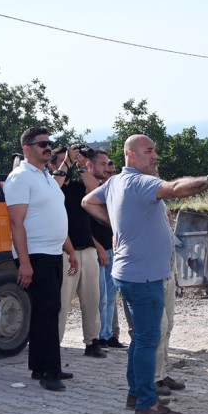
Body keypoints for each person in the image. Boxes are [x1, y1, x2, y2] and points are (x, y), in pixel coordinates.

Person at [83, 134, 208, 414]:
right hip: (144, 276)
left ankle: (136, 393)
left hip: (130, 272)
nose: (155, 156)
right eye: (148, 151)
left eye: (155, 150)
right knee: (147, 339)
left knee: (140, 338)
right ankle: (146, 403)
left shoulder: (115, 182)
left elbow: (88, 202)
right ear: (131, 155)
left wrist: (118, 226)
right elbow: (177, 188)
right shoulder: (140, 182)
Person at [5, 128, 78, 391]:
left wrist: (69, 250)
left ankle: (40, 366)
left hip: (52, 253)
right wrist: (24, 262)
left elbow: (56, 216)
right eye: (42, 144)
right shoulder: (20, 178)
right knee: (47, 313)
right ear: (27, 149)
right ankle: (50, 372)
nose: (48, 148)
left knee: (45, 312)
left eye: (49, 144)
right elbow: (16, 223)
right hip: (35, 255)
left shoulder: (45, 176)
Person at [57, 145, 107, 359]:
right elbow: (53, 188)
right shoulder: (53, 185)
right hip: (64, 253)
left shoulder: (79, 185)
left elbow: (96, 191)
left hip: (86, 250)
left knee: (92, 300)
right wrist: (65, 163)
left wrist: (81, 166)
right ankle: (54, 344)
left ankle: (92, 341)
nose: (67, 163)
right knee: (61, 302)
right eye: (61, 160)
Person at [86, 150, 126, 351]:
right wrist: (99, 248)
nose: (108, 171)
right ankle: (100, 337)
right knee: (100, 297)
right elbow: (86, 226)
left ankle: (109, 335)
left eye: (111, 169)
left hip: (112, 249)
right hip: (99, 251)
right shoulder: (89, 192)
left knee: (110, 296)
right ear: (91, 166)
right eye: (103, 166)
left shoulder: (109, 190)